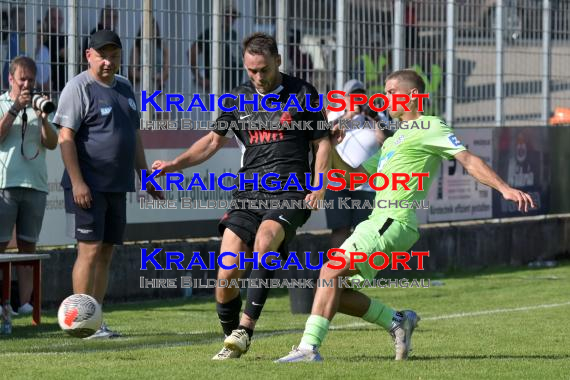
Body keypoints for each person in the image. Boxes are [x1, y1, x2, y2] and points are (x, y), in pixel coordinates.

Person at [276, 69, 536, 362]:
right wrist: (332, 147)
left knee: (329, 271)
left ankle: (309, 349)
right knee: (335, 287)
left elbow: (468, 159)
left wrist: (504, 188)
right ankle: (396, 321)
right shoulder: (392, 140)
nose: (384, 99)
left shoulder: (430, 125)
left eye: (390, 92)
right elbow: (351, 177)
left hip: (394, 221)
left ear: (412, 96)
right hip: (377, 222)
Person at [152, 32, 332, 360]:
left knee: (265, 241)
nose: (258, 77)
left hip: (290, 192)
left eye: (263, 69)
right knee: (225, 274)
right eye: (251, 71)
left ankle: (246, 328)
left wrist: (319, 184)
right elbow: (211, 141)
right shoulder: (238, 98)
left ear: (278, 60)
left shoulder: (303, 93)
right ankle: (232, 341)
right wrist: (174, 164)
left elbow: (322, 143)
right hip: (248, 194)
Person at [53, 30, 162, 339]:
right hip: (88, 186)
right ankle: (79, 322)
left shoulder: (126, 86)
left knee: (105, 254)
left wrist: (146, 176)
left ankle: (95, 320)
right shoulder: (78, 87)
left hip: (117, 185)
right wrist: (77, 182)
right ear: (89, 55)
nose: (108, 61)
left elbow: (134, 136)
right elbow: (65, 139)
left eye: (114, 56)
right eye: (102, 55)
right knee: (88, 251)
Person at [0, 56, 58, 315]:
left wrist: (43, 118)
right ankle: (2, 304)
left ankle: (24, 304)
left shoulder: (39, 104)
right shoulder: (2, 103)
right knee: (0, 248)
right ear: (10, 79)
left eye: (31, 80)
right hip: (5, 185)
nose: (26, 84)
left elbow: (52, 143)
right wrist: (14, 109)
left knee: (28, 247)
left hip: (35, 185)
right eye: (22, 79)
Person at [325, 79, 388, 249]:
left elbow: (386, 141)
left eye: (360, 95)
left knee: (364, 232)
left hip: (366, 185)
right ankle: (335, 271)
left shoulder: (376, 116)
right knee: (340, 229)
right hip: (337, 183)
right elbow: (326, 132)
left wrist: (373, 117)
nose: (356, 99)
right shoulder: (336, 114)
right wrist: (349, 115)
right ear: (344, 97)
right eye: (352, 96)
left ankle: (359, 272)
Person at [189, 5, 242, 93]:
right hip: (215, 87)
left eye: (233, 16)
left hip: (232, 88)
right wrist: (199, 78)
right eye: (227, 15)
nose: (231, 19)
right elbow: (192, 53)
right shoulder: (210, 33)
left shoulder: (233, 34)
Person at [80, 5, 118, 71]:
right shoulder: (94, 35)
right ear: (102, 18)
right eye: (108, 17)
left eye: (114, 17)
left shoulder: (114, 34)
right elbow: (85, 60)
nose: (112, 20)